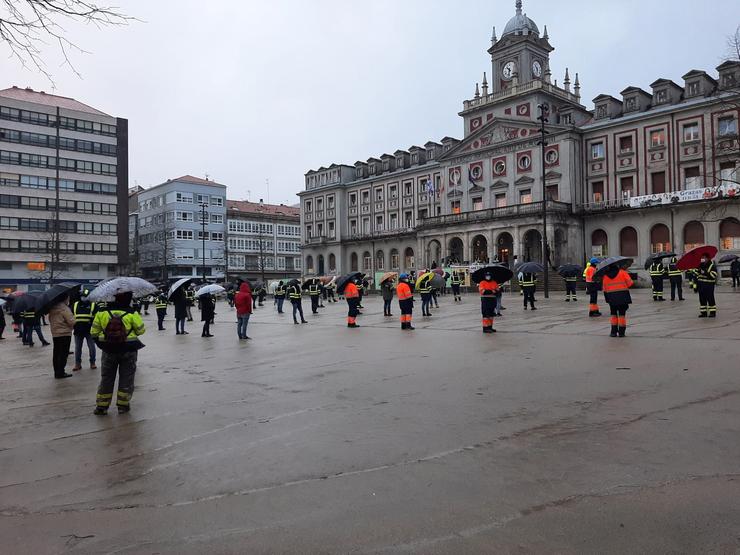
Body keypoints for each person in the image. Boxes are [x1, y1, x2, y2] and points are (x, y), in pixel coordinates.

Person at [91, 291, 146, 415]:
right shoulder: (132, 313)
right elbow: (141, 331)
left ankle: (102, 406)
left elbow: (94, 332)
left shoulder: (102, 312)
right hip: (129, 351)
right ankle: (123, 405)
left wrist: (103, 343)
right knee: (127, 378)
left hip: (108, 350)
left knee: (107, 378)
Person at [601, 264, 634, 337]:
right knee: (622, 315)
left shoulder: (605, 275)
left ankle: (613, 332)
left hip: (611, 297)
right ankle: (621, 332)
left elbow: (604, 288)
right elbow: (630, 283)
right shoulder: (622, 272)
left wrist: (607, 299)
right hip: (622, 296)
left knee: (613, 315)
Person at [48, 297, 75, 379]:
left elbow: (50, 319)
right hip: (65, 333)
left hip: (55, 334)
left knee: (56, 353)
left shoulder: (52, 308)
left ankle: (56, 372)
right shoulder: (64, 308)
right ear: (65, 299)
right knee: (63, 353)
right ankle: (61, 372)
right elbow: (71, 321)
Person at [72, 292, 97, 371]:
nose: (83, 298)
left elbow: (97, 317)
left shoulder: (93, 305)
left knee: (92, 347)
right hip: (78, 330)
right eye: (82, 296)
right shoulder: (75, 305)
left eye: (85, 296)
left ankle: (92, 362)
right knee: (78, 348)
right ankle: (77, 364)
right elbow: (70, 315)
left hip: (89, 330)